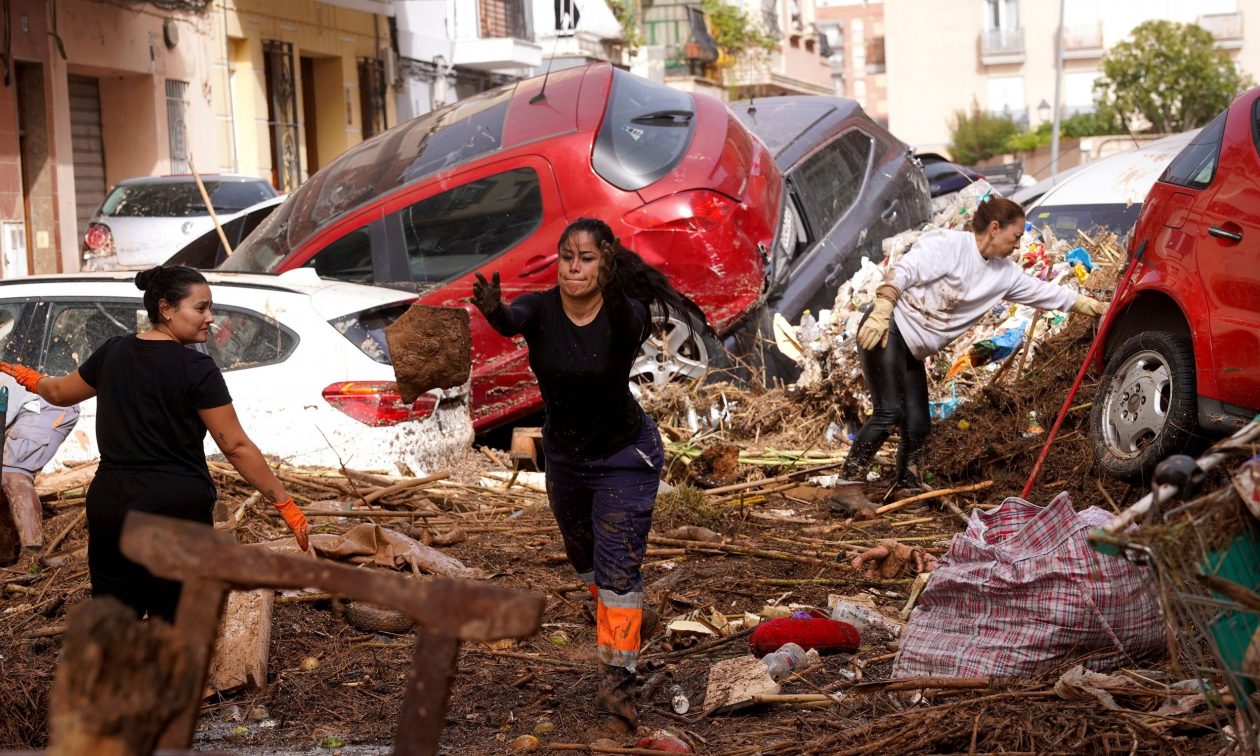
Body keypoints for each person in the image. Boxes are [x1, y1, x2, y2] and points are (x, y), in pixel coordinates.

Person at [0, 265, 309, 621]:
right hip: (174, 508)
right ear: (166, 308)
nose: (210, 317)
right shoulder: (197, 369)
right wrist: (284, 503)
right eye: (201, 308)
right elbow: (235, 446)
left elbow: (58, 392)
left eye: (210, 308)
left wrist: (30, 378)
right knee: (173, 618)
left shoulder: (112, 352)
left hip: (112, 504)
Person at [470, 217, 682, 732]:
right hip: (566, 459)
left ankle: (618, 697)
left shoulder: (625, 315)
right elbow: (511, 319)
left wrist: (608, 280)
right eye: (567, 257)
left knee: (615, 572)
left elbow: (622, 318)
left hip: (624, 457)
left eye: (586, 258)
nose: (573, 268)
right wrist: (495, 309)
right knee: (585, 563)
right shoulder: (541, 308)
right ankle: (630, 620)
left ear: (605, 263)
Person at [842, 196, 1108, 491]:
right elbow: (906, 270)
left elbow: (1045, 293)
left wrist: (1089, 305)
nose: (1018, 245)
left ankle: (907, 486)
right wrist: (883, 305)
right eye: (1016, 236)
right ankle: (847, 486)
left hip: (912, 349)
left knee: (918, 424)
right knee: (890, 411)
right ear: (995, 228)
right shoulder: (949, 244)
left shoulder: (1004, 274)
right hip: (887, 326)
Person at [0, 374, 80, 574]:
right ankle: (7, 558)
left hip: (46, 403)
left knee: (13, 473)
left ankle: (31, 557)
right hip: (22, 409)